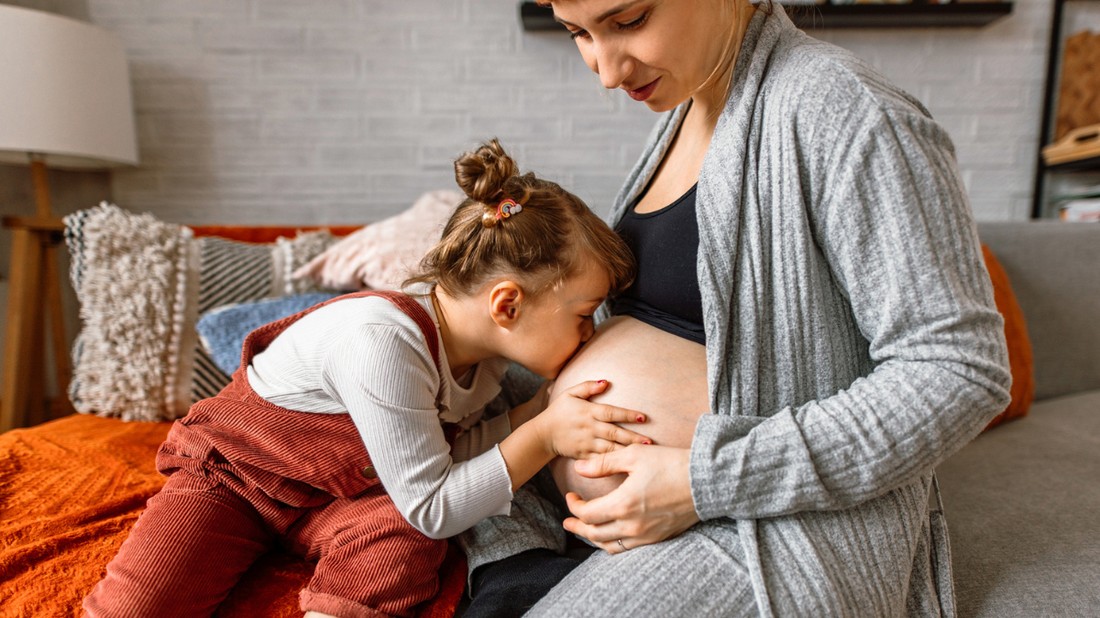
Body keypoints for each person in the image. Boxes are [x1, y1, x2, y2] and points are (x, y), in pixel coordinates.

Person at [460, 1, 1013, 616]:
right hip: (634, 512)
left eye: (629, 20)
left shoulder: (845, 110)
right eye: (579, 34)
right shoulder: (687, 106)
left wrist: (704, 481)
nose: (608, 72)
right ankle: (523, 573)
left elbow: (959, 371)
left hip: (764, 530)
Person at [82, 139, 651, 618]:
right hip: (237, 482)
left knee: (403, 544)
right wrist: (544, 435)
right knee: (140, 604)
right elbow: (436, 502)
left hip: (342, 496)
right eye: (584, 315)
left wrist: (534, 413)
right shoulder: (382, 343)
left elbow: (442, 464)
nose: (588, 335)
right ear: (507, 304)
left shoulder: (487, 360)